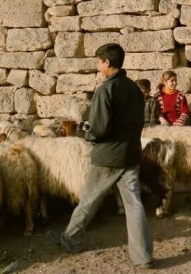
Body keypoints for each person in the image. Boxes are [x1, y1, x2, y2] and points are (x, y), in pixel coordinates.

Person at [48, 43, 153, 269]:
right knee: (134, 205)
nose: (98, 66)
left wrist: (88, 134)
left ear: (106, 62)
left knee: (88, 200)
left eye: (98, 62)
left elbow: (99, 128)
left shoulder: (106, 90)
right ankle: (143, 256)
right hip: (131, 155)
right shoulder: (134, 89)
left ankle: (71, 239)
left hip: (107, 157)